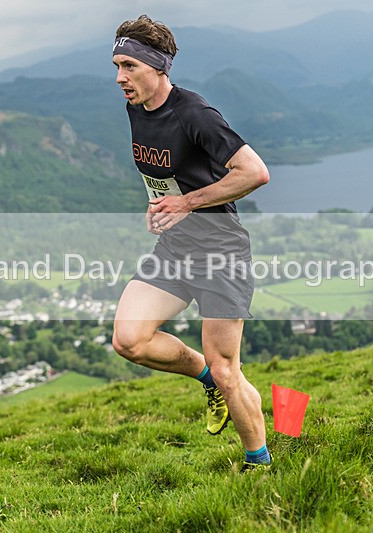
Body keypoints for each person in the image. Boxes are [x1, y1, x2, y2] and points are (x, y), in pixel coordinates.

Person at [110, 15, 272, 471]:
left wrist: (187, 204)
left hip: (220, 252)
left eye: (129, 66)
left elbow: (254, 172)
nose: (120, 77)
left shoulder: (195, 113)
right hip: (176, 250)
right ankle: (206, 378)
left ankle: (259, 465)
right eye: (116, 66)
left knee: (229, 371)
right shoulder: (136, 107)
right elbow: (165, 174)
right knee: (129, 340)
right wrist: (160, 202)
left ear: (157, 67)